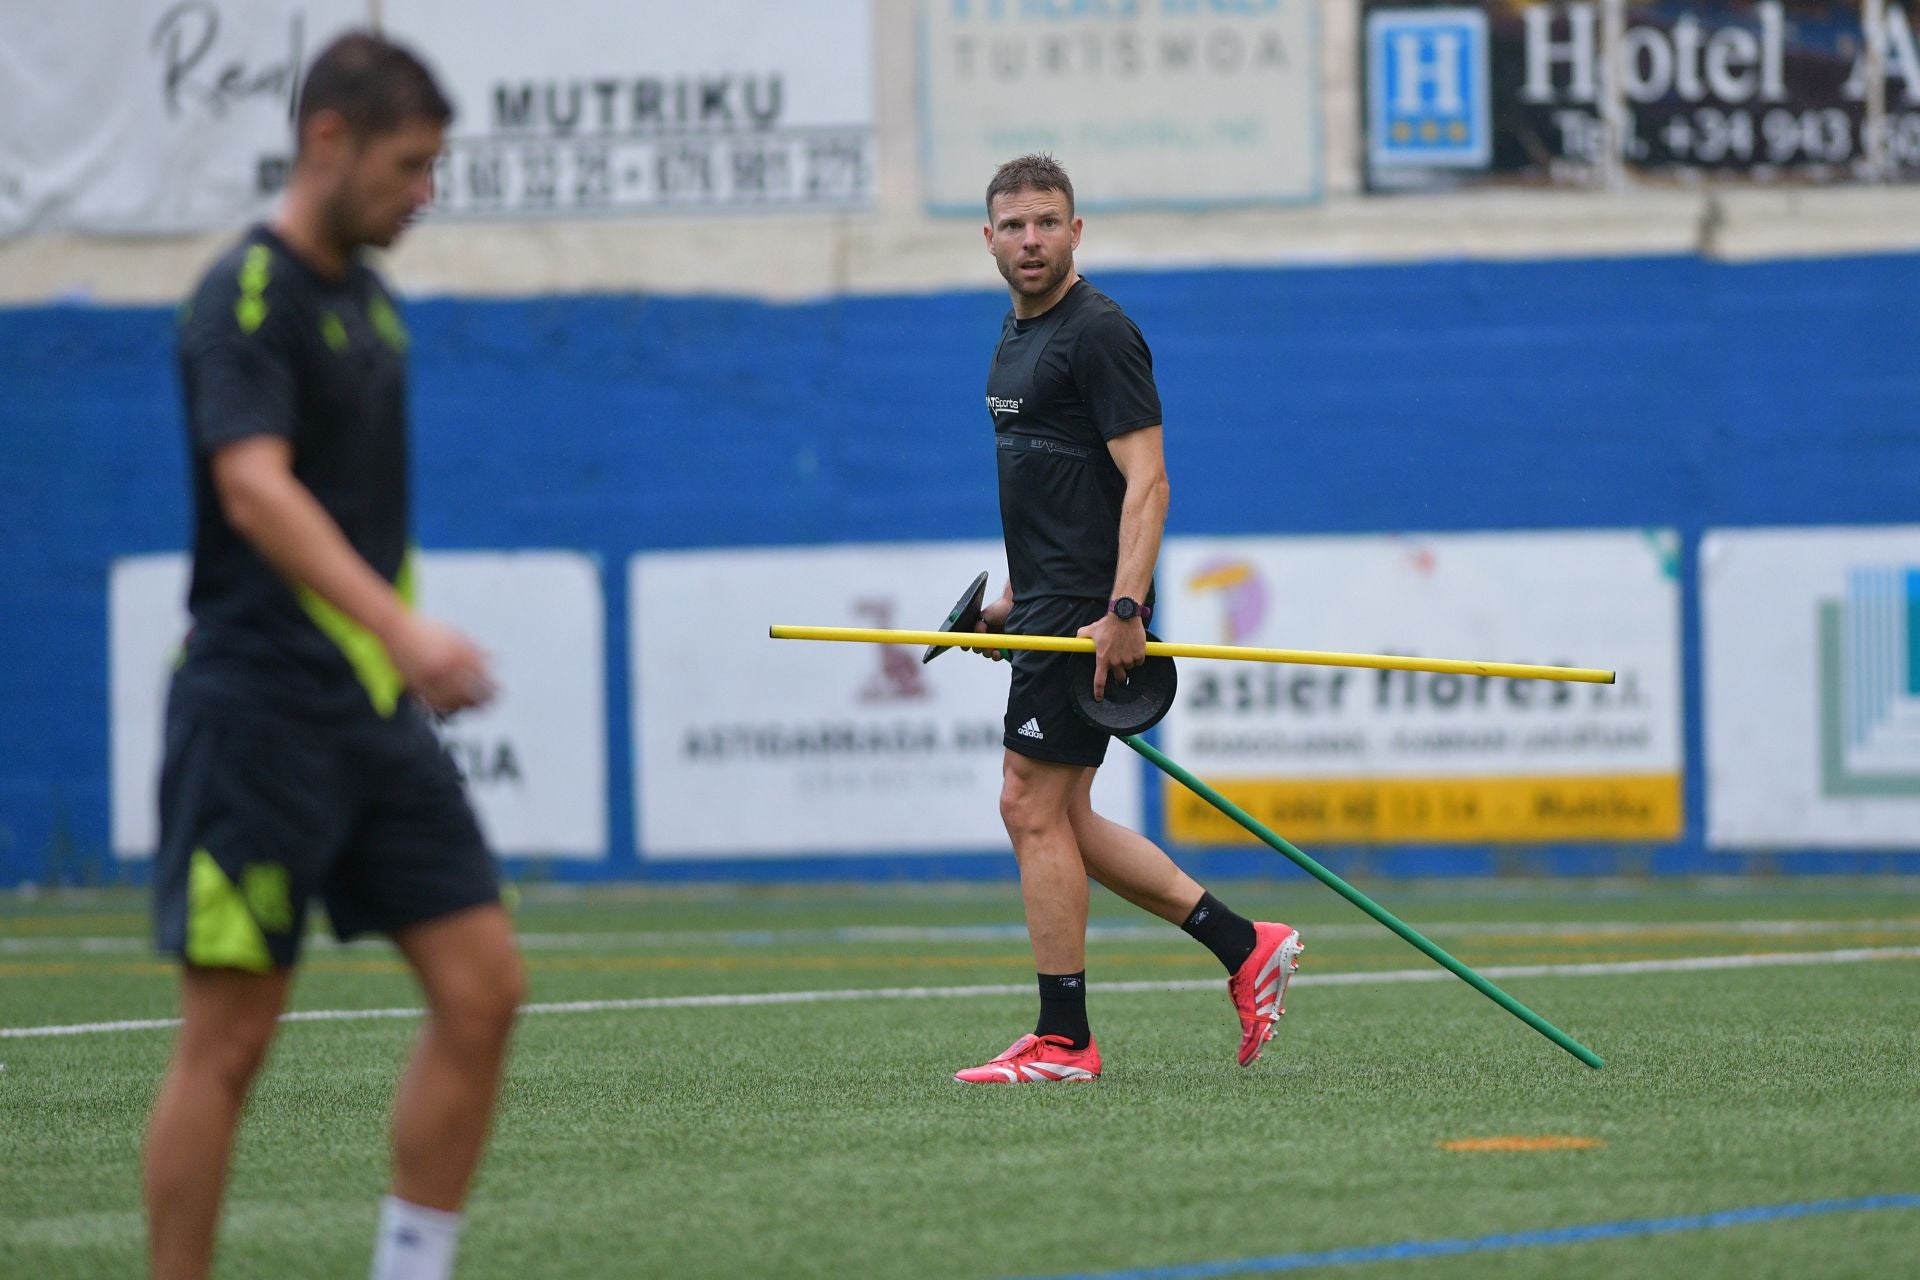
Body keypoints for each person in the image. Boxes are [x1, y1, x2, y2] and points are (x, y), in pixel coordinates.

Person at [143, 32, 524, 1280]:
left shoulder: (373, 303)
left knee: (484, 988)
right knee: (231, 1042)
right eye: (411, 165)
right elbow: (255, 489)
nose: (426, 192)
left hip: (371, 723)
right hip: (256, 719)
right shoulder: (243, 298)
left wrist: (390, 654)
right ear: (328, 141)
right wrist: (402, 629)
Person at [954, 155, 1304, 1085]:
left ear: (1077, 231)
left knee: (1029, 804)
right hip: (1055, 605)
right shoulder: (1014, 336)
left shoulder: (1100, 332)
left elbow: (1148, 481)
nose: (1031, 240)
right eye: (1014, 225)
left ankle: (1065, 1042)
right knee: (1061, 812)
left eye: (1048, 223)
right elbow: (1058, 489)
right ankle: (1246, 945)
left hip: (1093, 613)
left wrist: (1123, 609)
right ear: (988, 237)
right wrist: (1015, 608)